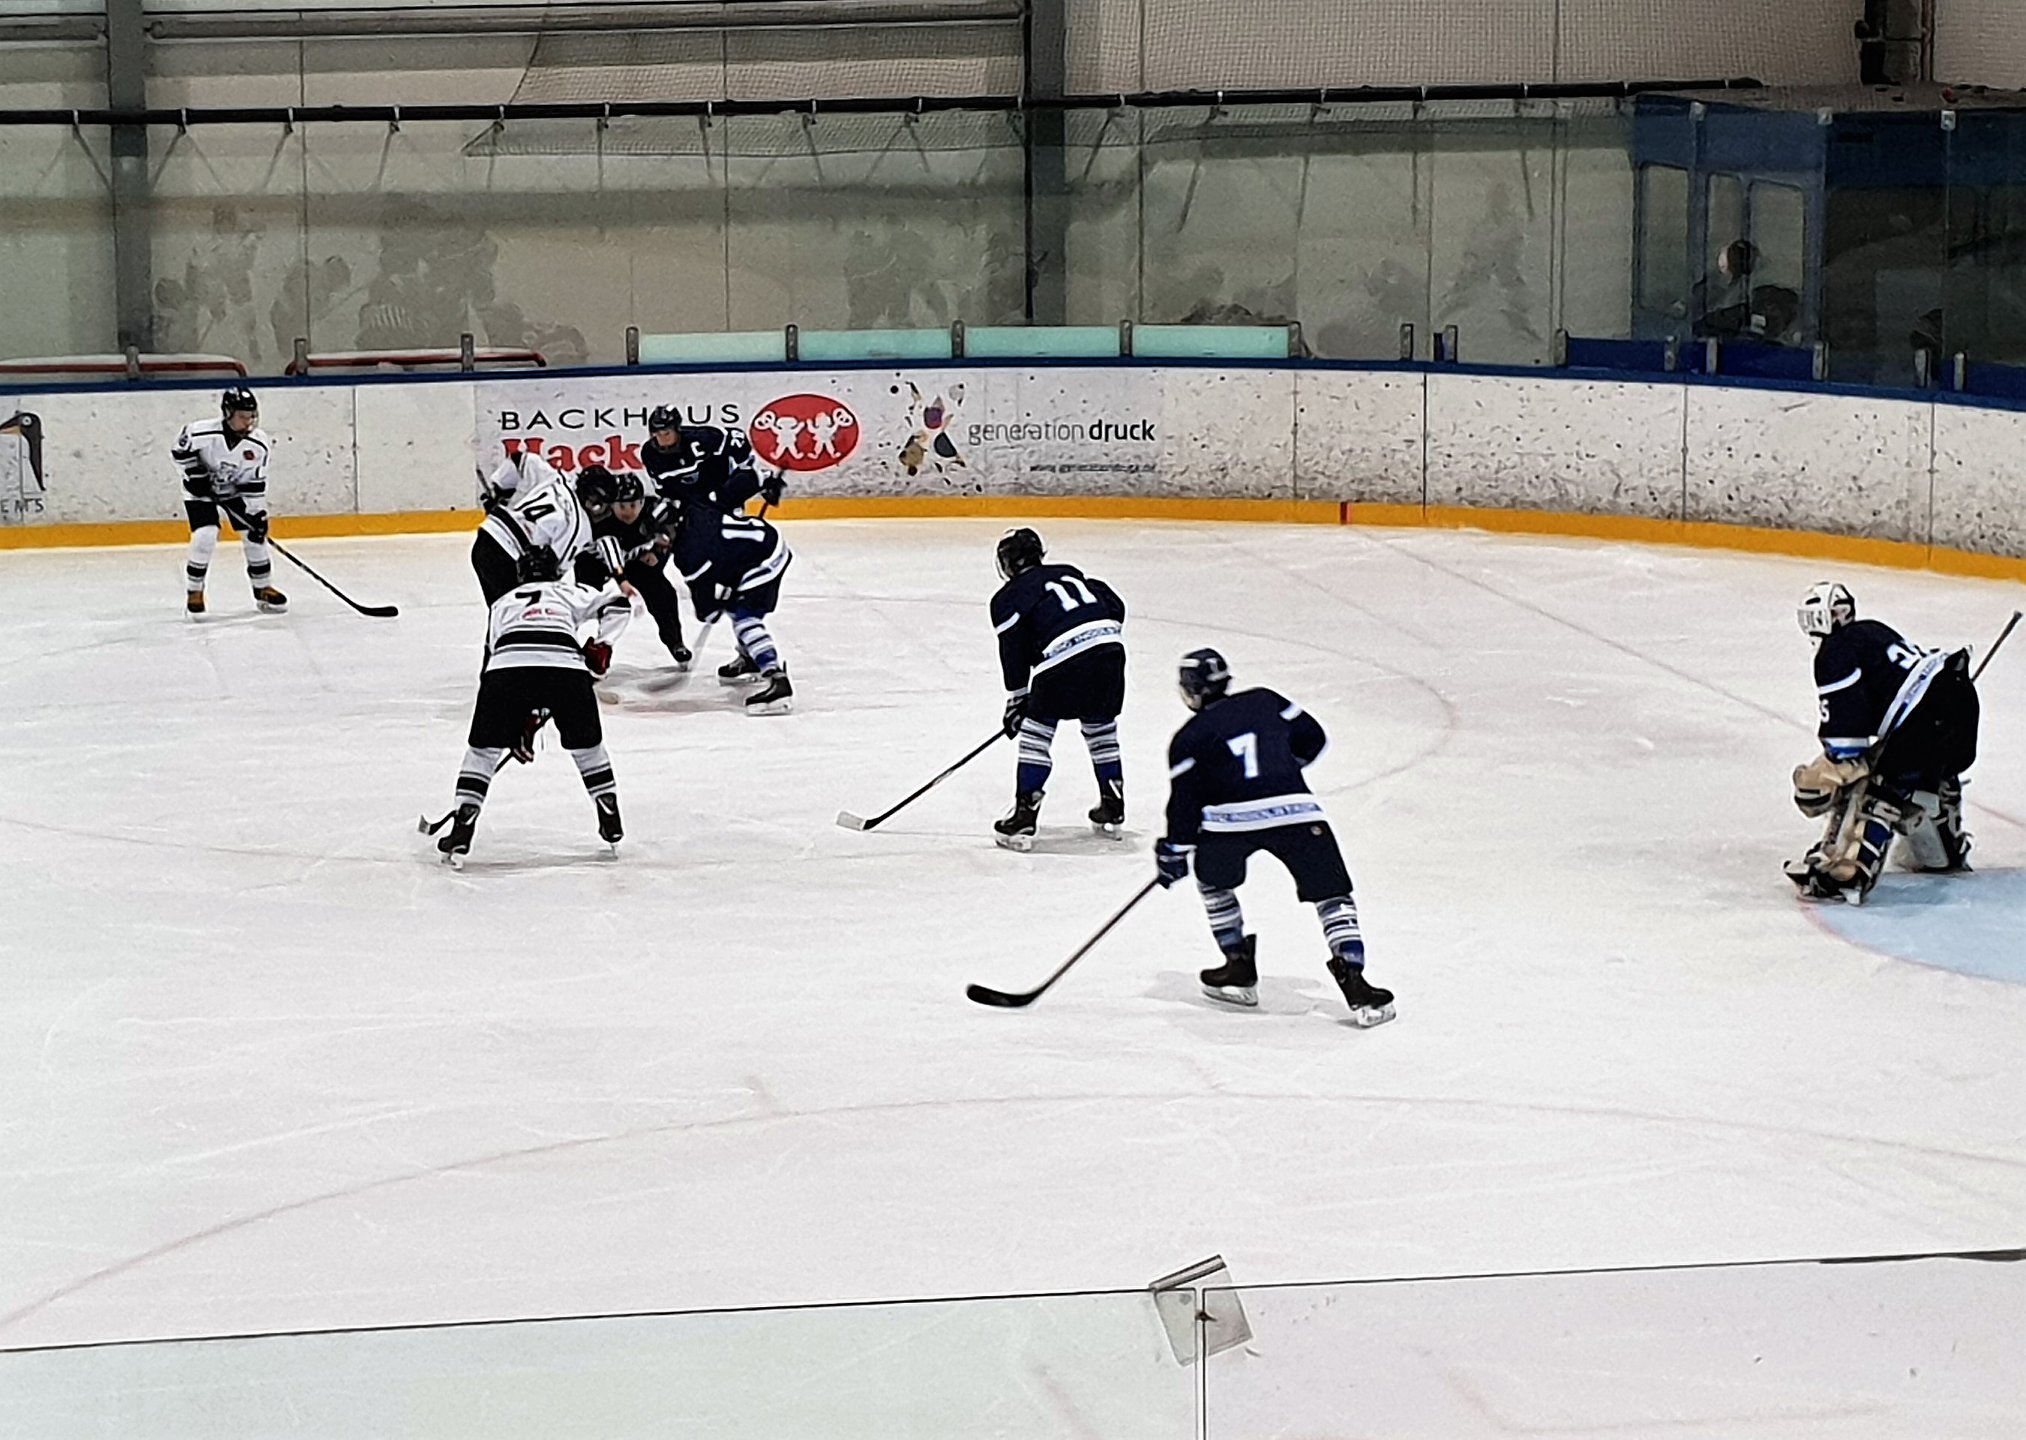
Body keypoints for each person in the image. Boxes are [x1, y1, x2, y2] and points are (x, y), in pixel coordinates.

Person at [1154, 648, 1394, 1027]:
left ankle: (1237, 965)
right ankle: (1356, 980)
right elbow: (1312, 738)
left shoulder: (1189, 737)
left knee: (1214, 884)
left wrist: (1174, 850)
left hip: (1228, 822)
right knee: (1332, 895)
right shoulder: (1266, 700)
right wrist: (1282, 772)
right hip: (1296, 812)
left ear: (1191, 691)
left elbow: (1186, 802)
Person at [433, 547, 632, 865]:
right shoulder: (569, 591)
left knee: (483, 751)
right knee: (588, 747)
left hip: (506, 669)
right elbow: (619, 603)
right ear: (555, 573)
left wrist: (515, 721)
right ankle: (607, 805)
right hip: (565, 667)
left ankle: (464, 819)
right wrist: (602, 642)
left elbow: (493, 656)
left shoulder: (502, 603)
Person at [1788, 582, 1981, 903]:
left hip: (1924, 717)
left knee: (1879, 791)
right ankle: (1945, 848)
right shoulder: (1873, 630)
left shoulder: (1834, 652)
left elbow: (1847, 734)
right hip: (1960, 697)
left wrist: (1830, 770)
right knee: (1921, 773)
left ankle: (1849, 870)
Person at [987, 528, 1127, 850]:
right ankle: (1113, 803)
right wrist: (1098, 641)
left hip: (1065, 659)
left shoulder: (1008, 596)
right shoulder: (1071, 574)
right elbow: (1114, 603)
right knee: (1101, 727)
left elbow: (1013, 649)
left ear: (1006, 564)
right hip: (1110, 651)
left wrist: (1017, 700)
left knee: (1037, 730)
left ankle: (1024, 815)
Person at [668, 497, 795, 714]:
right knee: (737, 604)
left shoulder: (689, 553)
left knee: (745, 617)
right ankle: (750, 658)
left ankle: (776, 678)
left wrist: (713, 606)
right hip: (760, 544)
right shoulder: (695, 511)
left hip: (765, 559)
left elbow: (707, 611)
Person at [174, 387, 285, 616]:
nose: (248, 422)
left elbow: (254, 484)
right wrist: (195, 474)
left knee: (253, 536)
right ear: (227, 413)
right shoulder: (200, 433)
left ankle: (262, 587)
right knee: (206, 534)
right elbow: (179, 451)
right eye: (242, 417)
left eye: (251, 416)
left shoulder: (259, 444)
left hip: (234, 491)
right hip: (200, 491)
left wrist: (257, 514)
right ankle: (195, 591)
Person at [470, 451, 603, 604]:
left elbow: (520, 459)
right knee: (514, 619)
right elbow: (552, 569)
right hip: (509, 556)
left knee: (500, 615)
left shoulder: (557, 478)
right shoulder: (579, 527)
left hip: (487, 535)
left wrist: (500, 489)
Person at [590, 471, 690, 669]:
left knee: (663, 594)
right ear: (611, 505)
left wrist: (658, 552)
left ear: (643, 503)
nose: (628, 512)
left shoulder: (654, 512)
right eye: (622, 506)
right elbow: (610, 552)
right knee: (587, 598)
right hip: (596, 562)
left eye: (633, 505)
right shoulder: (603, 522)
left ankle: (675, 642)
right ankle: (582, 645)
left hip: (636, 562)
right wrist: (621, 579)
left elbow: (672, 527)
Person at [642, 403, 782, 516]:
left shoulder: (701, 439)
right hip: (693, 498)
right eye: (657, 434)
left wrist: (747, 472)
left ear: (677, 429)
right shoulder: (650, 454)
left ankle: (762, 479)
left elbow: (737, 438)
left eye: (666, 433)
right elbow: (664, 491)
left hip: (719, 489)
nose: (662, 438)